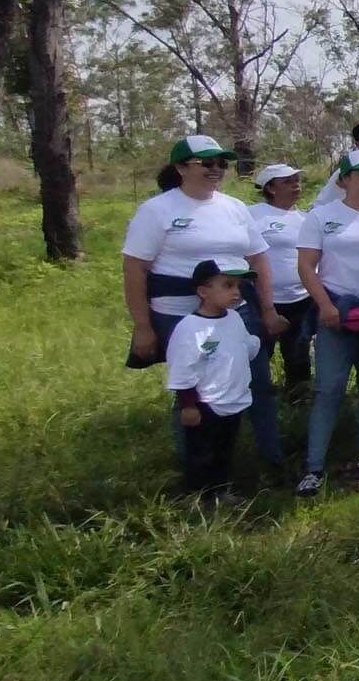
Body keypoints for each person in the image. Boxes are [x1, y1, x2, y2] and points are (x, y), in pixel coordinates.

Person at [122, 135, 286, 474]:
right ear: (181, 168)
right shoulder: (157, 210)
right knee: (193, 389)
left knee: (255, 380)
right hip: (179, 311)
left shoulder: (234, 208)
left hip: (236, 309)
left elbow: (258, 259)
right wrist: (143, 326)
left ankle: (271, 459)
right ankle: (197, 471)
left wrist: (268, 309)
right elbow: (135, 268)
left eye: (221, 164)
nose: (216, 170)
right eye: (207, 163)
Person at [294, 149, 359, 499]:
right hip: (334, 309)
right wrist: (323, 304)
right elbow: (307, 265)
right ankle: (314, 465)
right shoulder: (322, 217)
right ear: (344, 179)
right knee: (328, 388)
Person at [165, 260, 261, 505]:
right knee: (200, 454)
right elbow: (183, 366)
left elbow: (246, 347)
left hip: (232, 399)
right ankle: (196, 496)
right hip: (204, 403)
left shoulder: (234, 320)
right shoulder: (189, 328)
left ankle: (220, 491)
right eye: (227, 286)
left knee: (224, 451)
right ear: (203, 291)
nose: (236, 292)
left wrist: (263, 339)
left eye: (238, 286)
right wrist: (188, 404)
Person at [249, 163, 313, 396]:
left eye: (297, 180)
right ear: (271, 188)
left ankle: (298, 400)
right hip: (262, 300)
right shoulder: (253, 215)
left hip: (301, 300)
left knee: (298, 355)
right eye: (288, 181)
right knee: (258, 354)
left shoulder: (306, 218)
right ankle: (257, 400)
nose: (296, 185)